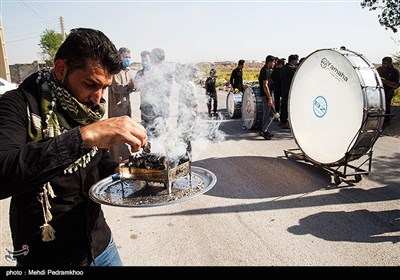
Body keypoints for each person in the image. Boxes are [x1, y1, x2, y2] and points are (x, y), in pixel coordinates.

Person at [0, 28, 148, 266]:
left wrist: (123, 173)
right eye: (91, 84)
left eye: (104, 88)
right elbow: (3, 173)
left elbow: (96, 161)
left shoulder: (85, 107)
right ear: (61, 69)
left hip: (99, 244)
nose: (97, 98)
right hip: (46, 255)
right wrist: (84, 136)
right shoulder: (17, 105)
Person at [108, 47, 136, 162]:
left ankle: (124, 159)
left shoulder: (127, 71)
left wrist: (134, 86)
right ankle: (116, 162)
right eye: (125, 57)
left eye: (129, 57)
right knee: (117, 135)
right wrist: (130, 86)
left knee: (125, 134)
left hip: (125, 108)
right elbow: (116, 88)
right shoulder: (116, 71)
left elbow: (129, 88)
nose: (127, 59)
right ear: (119, 56)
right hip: (117, 109)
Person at [376, 56, 400, 128]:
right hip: (379, 91)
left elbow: (395, 85)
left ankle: (386, 121)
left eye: (386, 63)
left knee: (386, 105)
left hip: (388, 91)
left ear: (390, 64)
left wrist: (384, 80)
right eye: (383, 63)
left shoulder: (394, 72)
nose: (384, 65)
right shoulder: (379, 70)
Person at [258, 55, 276, 140]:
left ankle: (264, 130)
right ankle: (263, 130)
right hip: (266, 95)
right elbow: (265, 85)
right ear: (269, 62)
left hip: (266, 95)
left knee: (267, 114)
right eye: (273, 62)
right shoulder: (265, 70)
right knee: (272, 114)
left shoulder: (267, 70)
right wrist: (269, 97)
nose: (274, 63)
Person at [280, 54, 299, 129]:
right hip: (289, 90)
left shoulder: (283, 68)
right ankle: (284, 122)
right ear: (293, 60)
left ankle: (282, 121)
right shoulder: (291, 69)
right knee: (287, 107)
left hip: (283, 89)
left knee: (283, 106)